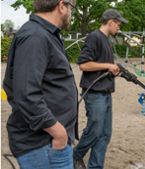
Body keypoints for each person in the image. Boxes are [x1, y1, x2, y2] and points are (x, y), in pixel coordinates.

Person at [2, 0, 77, 168]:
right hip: (43, 144)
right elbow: (26, 95)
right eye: (72, 7)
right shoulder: (35, 36)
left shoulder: (46, 34)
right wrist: (58, 133)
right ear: (62, 6)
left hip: (49, 142)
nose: (72, 13)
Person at [73, 9, 128, 169]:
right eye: (118, 24)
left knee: (105, 134)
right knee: (95, 130)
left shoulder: (106, 40)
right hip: (94, 93)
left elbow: (102, 68)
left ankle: (95, 166)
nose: (119, 27)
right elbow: (83, 64)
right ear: (110, 22)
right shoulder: (94, 37)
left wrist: (114, 70)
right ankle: (74, 156)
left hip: (106, 93)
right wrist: (109, 66)